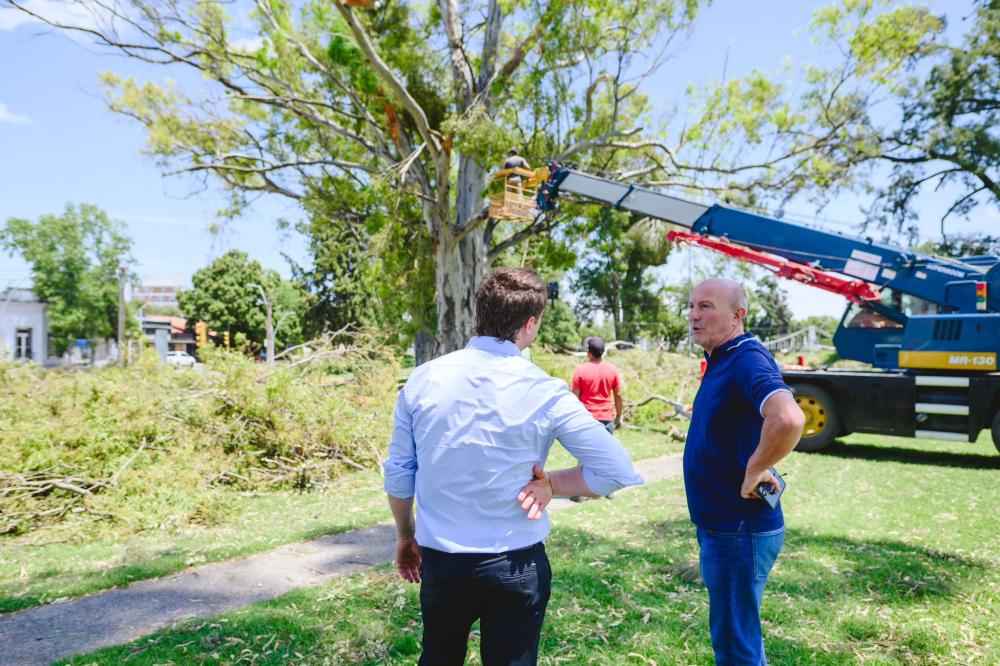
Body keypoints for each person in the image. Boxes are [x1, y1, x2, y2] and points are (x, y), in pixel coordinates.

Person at [384, 267, 643, 666]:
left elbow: (400, 471)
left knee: (437, 657)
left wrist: (405, 536)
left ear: (479, 313)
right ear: (531, 323)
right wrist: (553, 484)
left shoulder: (423, 379)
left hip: (443, 563)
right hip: (515, 563)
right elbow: (616, 470)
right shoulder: (544, 389)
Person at [684, 278, 805, 665]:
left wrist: (758, 466)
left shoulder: (746, 358)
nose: (693, 315)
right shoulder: (724, 357)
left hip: (738, 530)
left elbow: (787, 418)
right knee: (734, 635)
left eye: (705, 306)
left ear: (738, 315)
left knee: (737, 646)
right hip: (725, 526)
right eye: (691, 306)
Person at [571, 336, 623, 434]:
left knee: (585, 449)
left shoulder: (580, 370)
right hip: (606, 420)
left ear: (589, 352)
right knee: (605, 449)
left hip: (586, 419)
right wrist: (619, 416)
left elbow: (574, 398)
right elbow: (618, 395)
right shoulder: (613, 370)